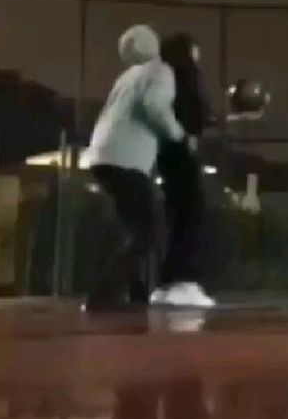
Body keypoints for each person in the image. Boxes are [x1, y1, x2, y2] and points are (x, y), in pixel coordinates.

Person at [85, 24, 187, 312]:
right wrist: (177, 135)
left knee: (134, 227)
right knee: (150, 232)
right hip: (125, 159)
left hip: (100, 155)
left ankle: (137, 293)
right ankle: (103, 296)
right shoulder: (159, 70)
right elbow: (155, 105)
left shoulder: (127, 76)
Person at [149, 32, 216, 309]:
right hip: (179, 152)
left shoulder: (160, 76)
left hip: (165, 153)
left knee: (177, 214)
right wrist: (184, 133)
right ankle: (184, 282)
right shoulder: (185, 77)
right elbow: (194, 115)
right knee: (191, 211)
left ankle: (167, 283)